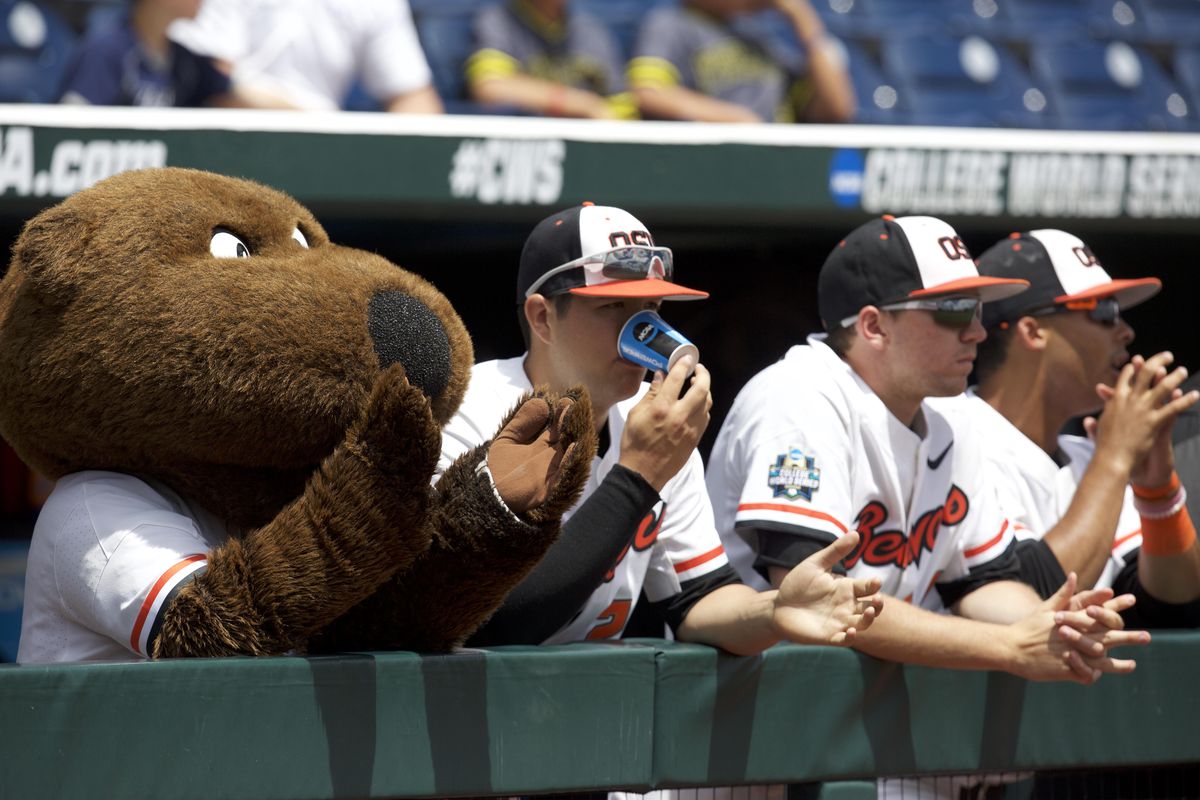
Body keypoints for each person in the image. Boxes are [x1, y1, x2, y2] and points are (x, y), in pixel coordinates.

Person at [706, 214, 1150, 687]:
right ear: (874, 326)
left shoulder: (951, 417)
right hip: (749, 705)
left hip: (854, 714)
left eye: (978, 311)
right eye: (955, 310)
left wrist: (1051, 625)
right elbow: (820, 600)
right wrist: (1009, 646)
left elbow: (980, 581)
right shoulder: (800, 395)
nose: (977, 331)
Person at [438, 202, 882, 653]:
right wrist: (639, 476)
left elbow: (696, 599)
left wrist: (773, 612)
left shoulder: (655, 423)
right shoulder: (466, 411)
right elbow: (488, 624)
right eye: (614, 306)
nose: (642, 328)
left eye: (650, 306)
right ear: (542, 317)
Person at [933, 229, 1200, 626]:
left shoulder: (1086, 454)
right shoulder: (948, 437)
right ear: (1033, 331)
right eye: (1103, 311)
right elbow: (1028, 602)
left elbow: (1172, 606)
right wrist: (1115, 459)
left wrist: (1157, 492)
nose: (1125, 330)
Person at [168, 0, 443, 113]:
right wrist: (316, 124)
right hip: (227, 151)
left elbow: (413, 98)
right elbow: (213, 81)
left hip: (326, 163)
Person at [627, 0, 854, 123]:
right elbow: (648, 93)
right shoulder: (671, 24)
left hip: (774, 166)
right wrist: (737, 119)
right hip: (714, 162)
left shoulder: (761, 39)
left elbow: (838, 108)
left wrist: (801, 16)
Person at [58, 0, 260, 108]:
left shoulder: (186, 63)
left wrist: (292, 115)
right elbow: (69, 128)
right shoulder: (105, 52)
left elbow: (237, 95)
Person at [465, 0, 635, 119]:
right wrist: (579, 103)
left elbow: (623, 109)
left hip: (591, 153)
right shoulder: (498, 21)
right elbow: (490, 86)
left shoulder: (591, 30)